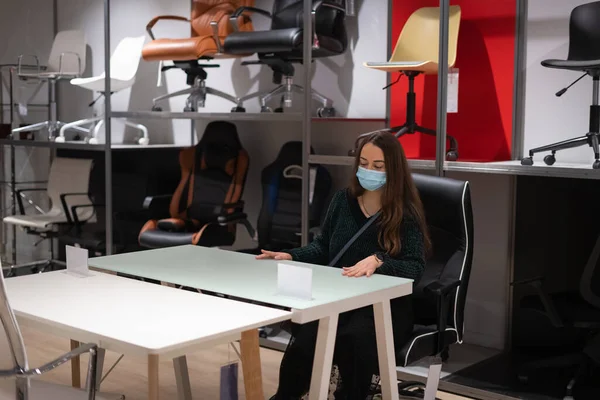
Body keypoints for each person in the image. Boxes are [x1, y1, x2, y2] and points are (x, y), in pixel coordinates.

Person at [256, 131, 432, 400]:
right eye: (363, 163)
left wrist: (379, 260)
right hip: (338, 300)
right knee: (306, 341)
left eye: (378, 166)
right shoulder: (342, 201)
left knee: (353, 339)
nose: (368, 170)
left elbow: (415, 267)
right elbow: (323, 247)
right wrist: (291, 256)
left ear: (393, 170)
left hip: (381, 309)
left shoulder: (404, 213)